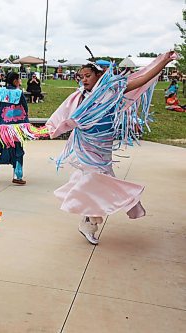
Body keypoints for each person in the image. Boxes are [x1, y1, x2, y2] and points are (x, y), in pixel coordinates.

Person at [46, 52, 176, 245]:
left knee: (101, 186)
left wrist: (163, 62)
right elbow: (65, 115)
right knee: (92, 181)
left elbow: (141, 79)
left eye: (87, 76)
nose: (84, 80)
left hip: (103, 148)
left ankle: (89, 222)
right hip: (85, 148)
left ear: (98, 76)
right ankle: (89, 223)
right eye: (81, 77)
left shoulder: (113, 91)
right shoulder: (80, 97)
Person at [0, 72, 48, 185]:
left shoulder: (1, 91)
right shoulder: (19, 93)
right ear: (14, 81)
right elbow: (24, 109)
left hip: (1, 129)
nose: (20, 81)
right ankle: (18, 176)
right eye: (18, 79)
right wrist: (25, 124)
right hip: (15, 129)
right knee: (18, 151)